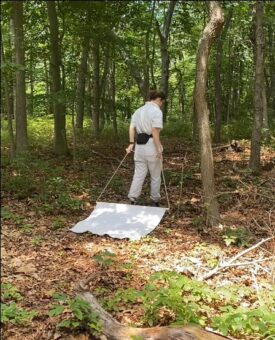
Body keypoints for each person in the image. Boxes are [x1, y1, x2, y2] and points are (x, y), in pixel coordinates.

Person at [126, 90, 166, 207]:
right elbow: (155, 131)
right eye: (162, 102)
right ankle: (155, 200)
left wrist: (131, 143)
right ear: (159, 99)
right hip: (151, 145)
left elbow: (131, 127)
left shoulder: (138, 111)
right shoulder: (156, 111)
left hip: (139, 146)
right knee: (155, 175)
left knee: (138, 173)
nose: (161, 104)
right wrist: (159, 148)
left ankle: (132, 199)